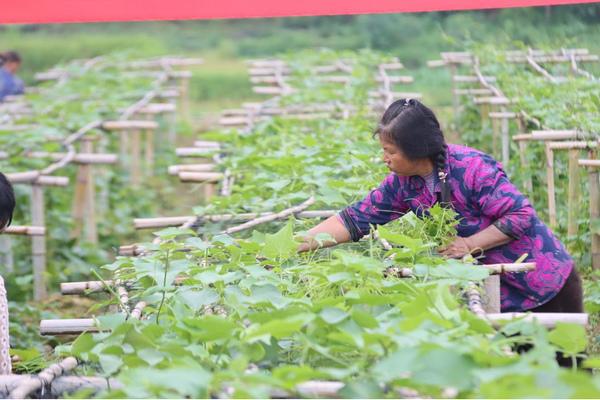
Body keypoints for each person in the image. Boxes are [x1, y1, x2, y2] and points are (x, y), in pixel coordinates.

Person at [299, 98, 582, 314]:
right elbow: (353, 220)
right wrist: (295, 245)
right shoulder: (403, 184)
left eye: (390, 151)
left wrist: (469, 244)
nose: (384, 158)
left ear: (416, 148)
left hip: (543, 285)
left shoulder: (471, 168)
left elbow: (521, 216)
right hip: (494, 293)